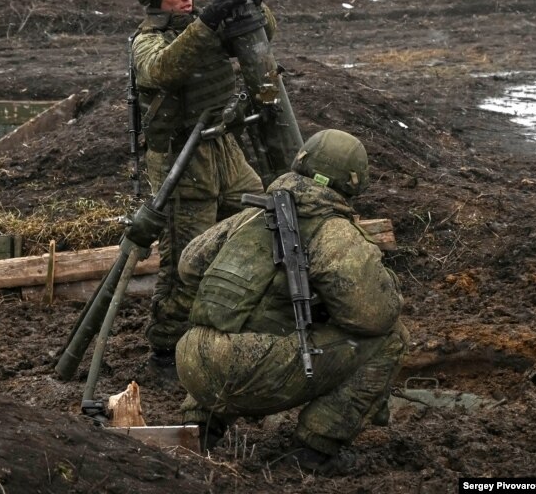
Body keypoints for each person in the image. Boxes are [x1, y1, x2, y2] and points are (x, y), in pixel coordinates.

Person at [174, 129, 409, 472]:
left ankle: (199, 427)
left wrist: (254, 290)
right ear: (353, 182)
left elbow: (189, 265)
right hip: (247, 371)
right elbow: (374, 317)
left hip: (192, 359)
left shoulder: (254, 212)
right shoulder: (334, 232)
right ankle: (313, 451)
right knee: (391, 339)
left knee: (242, 323)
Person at [130, 0, 272, 368]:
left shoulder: (199, 28)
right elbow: (164, 69)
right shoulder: (147, 41)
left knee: (258, 222)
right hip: (181, 159)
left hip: (222, 146)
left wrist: (254, 11)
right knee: (185, 260)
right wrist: (208, 24)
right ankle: (167, 350)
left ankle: (234, 319)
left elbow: (257, 43)